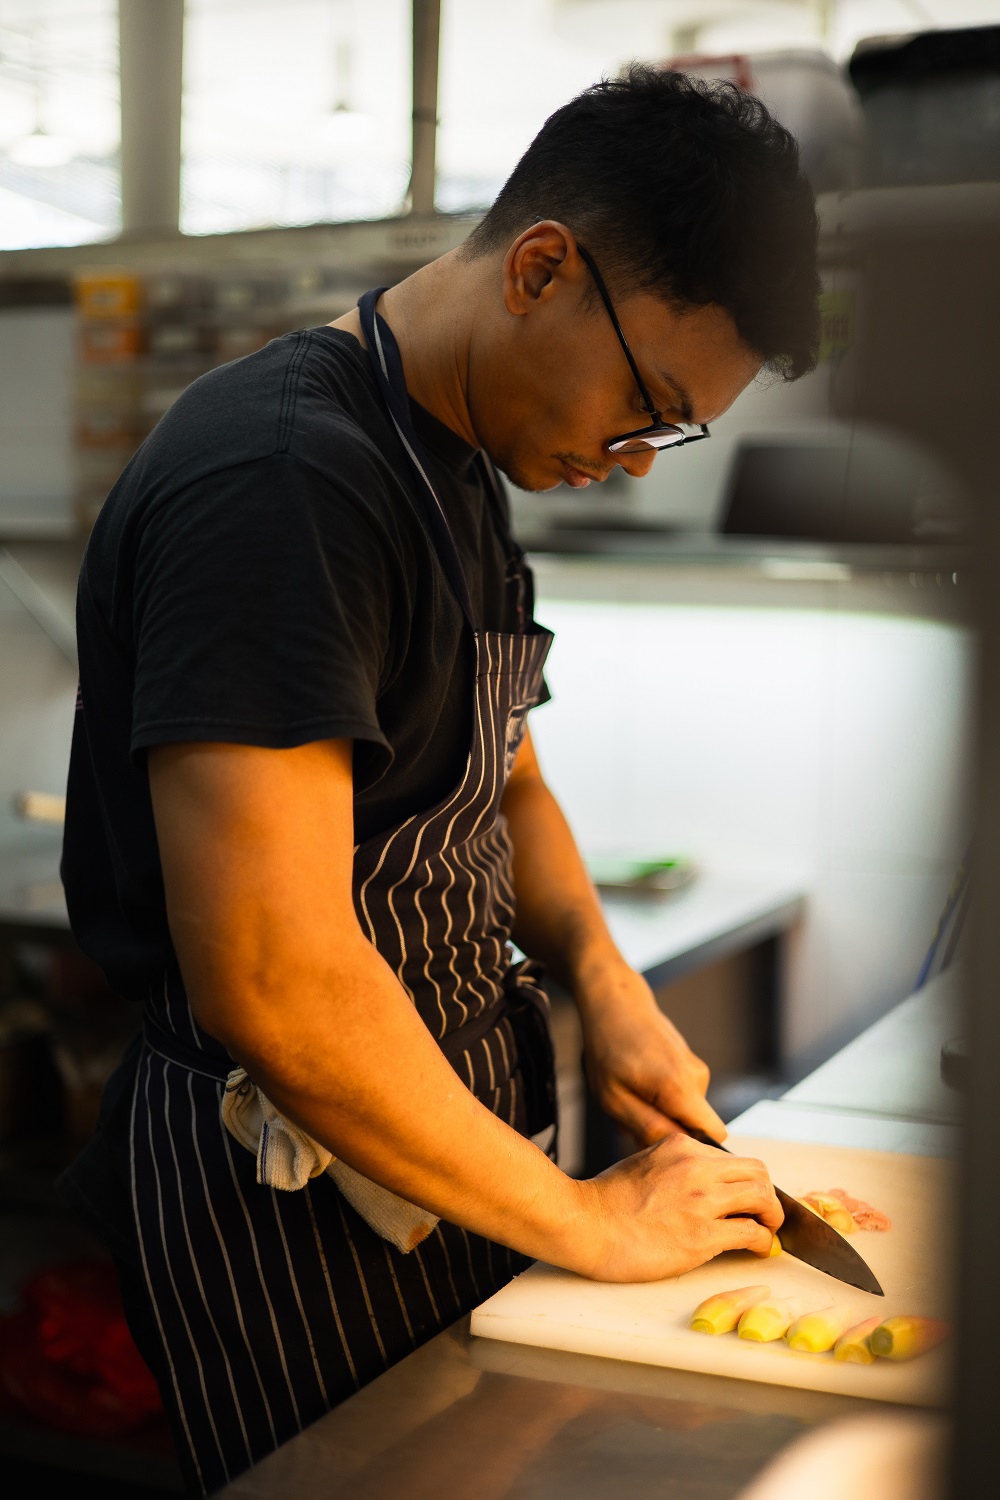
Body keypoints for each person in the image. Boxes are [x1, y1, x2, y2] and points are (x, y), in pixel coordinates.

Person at [58, 66, 819, 1496]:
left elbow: (501, 768)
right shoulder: (284, 483)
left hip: (448, 1139)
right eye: (646, 403)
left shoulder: (455, 460)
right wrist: (593, 1225)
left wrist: (604, 979)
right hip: (288, 1191)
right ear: (542, 267)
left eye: (674, 430)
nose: (635, 458)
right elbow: (274, 980)